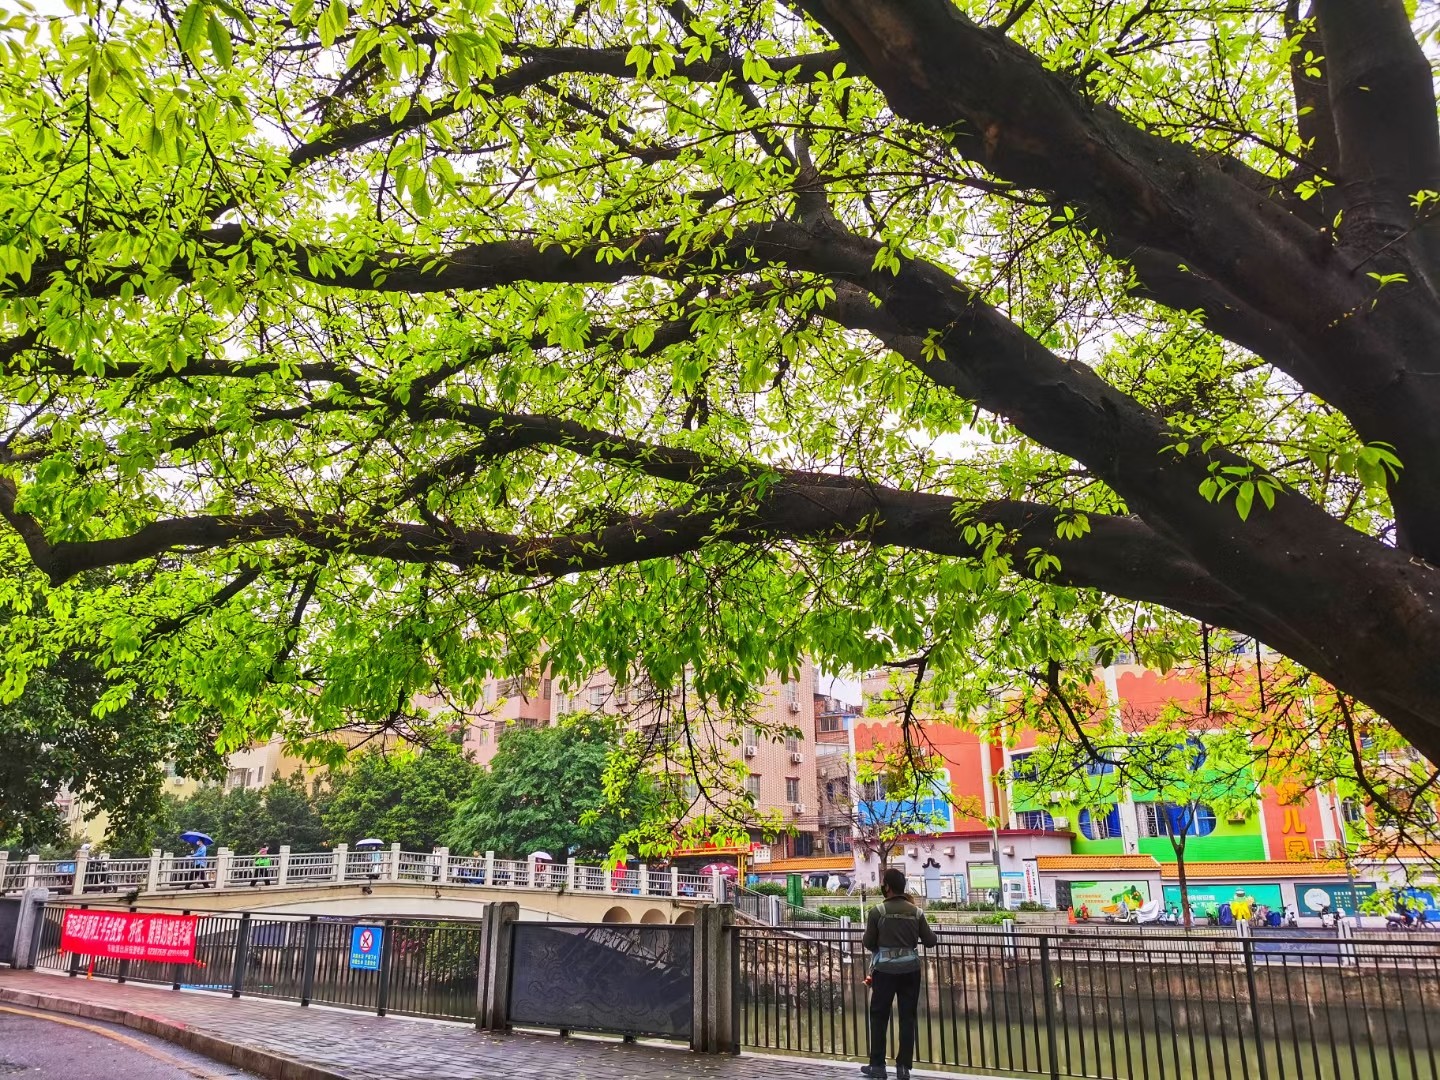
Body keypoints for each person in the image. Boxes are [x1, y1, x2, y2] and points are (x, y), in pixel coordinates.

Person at [861, 867, 937, 1080]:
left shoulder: (877, 912)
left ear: (887, 887)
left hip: (884, 971)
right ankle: (903, 1068)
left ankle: (877, 1065)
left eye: (883, 883)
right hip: (910, 971)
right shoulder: (916, 912)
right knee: (907, 1017)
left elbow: (868, 942)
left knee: (879, 1016)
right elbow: (930, 941)